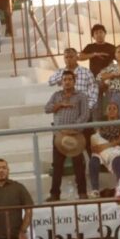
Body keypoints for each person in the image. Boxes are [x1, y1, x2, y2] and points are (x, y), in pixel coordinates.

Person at [44, 71, 89, 201]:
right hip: (58, 136)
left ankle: (82, 192)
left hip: (75, 136)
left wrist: (73, 129)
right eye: (65, 79)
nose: (67, 82)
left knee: (78, 165)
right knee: (57, 165)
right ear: (61, 82)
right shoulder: (56, 95)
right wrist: (60, 105)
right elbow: (47, 109)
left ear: (74, 81)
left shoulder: (81, 96)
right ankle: (55, 194)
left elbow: (85, 115)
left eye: (70, 79)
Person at [88, 103, 120, 196]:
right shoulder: (101, 126)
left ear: (118, 111)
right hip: (102, 152)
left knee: (118, 160)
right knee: (93, 162)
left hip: (118, 149)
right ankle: (95, 190)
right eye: (109, 108)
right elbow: (95, 145)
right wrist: (101, 148)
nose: (111, 110)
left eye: (114, 108)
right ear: (106, 112)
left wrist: (105, 146)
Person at [47, 47, 98, 115]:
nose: (68, 59)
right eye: (66, 57)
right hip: (67, 109)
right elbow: (50, 82)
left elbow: (94, 89)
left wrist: (88, 106)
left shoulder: (86, 72)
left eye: (71, 57)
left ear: (77, 57)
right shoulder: (60, 72)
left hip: (83, 107)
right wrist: (66, 75)